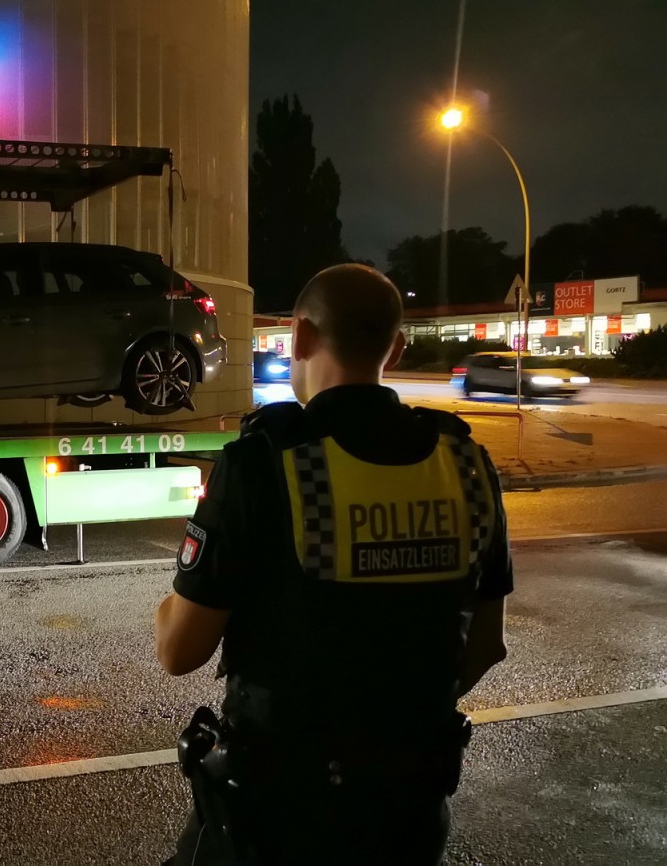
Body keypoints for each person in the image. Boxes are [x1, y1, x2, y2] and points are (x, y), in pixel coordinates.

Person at [156, 264, 512, 865]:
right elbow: (484, 646)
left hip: (275, 816)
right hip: (408, 809)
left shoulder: (266, 464)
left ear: (298, 337)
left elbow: (178, 651)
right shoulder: (467, 463)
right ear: (395, 348)